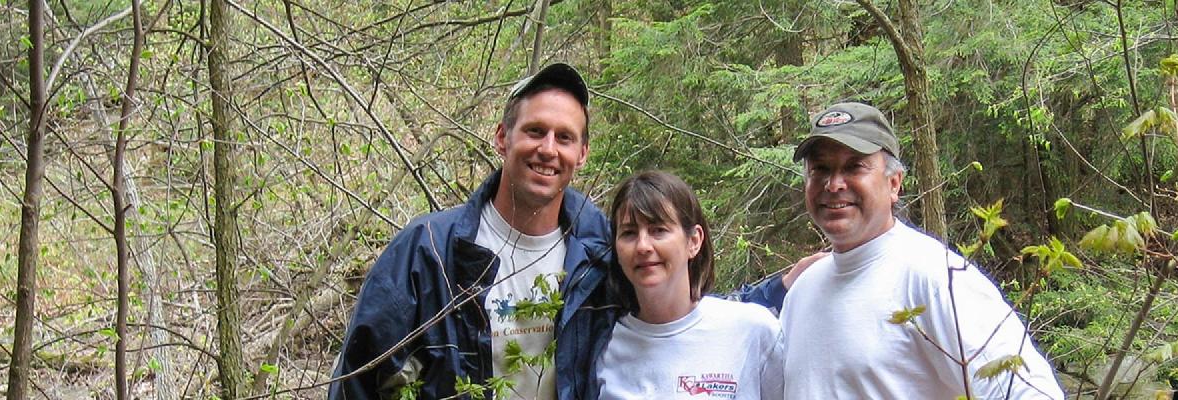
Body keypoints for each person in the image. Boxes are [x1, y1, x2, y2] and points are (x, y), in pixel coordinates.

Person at [330, 63, 790, 400]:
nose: (548, 150)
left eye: (565, 137)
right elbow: (359, 375)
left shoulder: (599, 249)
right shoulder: (431, 248)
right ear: (502, 137)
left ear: (583, 152)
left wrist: (777, 289)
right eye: (535, 131)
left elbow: (677, 320)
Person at [780, 102, 1064, 399]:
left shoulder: (934, 276)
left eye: (855, 167)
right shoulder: (803, 291)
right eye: (820, 169)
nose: (834, 184)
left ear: (894, 183)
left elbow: (1030, 392)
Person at [595, 171, 782, 400]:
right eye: (629, 233)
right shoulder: (603, 346)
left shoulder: (752, 330)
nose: (643, 246)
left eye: (658, 230)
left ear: (694, 241)